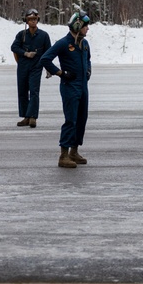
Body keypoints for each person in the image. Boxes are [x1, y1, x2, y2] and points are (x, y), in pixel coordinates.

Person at [41, 11, 92, 169]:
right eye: (85, 26)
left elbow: (88, 59)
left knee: (82, 119)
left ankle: (74, 152)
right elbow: (45, 59)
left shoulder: (84, 43)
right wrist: (61, 73)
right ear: (78, 26)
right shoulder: (63, 43)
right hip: (70, 87)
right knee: (71, 120)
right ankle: (63, 155)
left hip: (83, 86)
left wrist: (88, 71)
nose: (88, 29)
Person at [10, 8, 52, 128]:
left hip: (36, 67)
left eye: (34, 19)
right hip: (23, 66)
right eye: (30, 20)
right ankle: (26, 117)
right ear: (26, 21)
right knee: (22, 92)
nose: (33, 22)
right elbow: (14, 47)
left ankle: (33, 117)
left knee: (34, 91)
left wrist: (49, 68)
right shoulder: (21, 35)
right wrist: (25, 53)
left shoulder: (44, 35)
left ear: (37, 20)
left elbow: (49, 52)